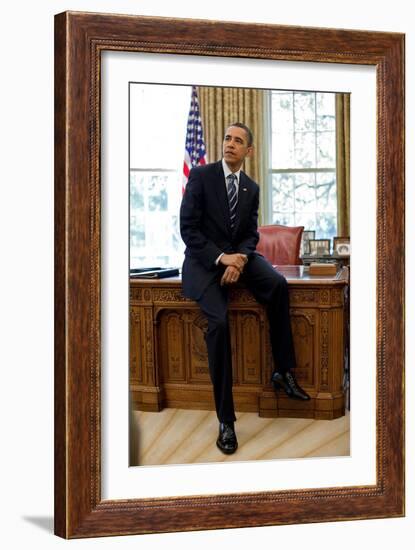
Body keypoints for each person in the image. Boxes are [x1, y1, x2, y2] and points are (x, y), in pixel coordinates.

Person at [179, 122, 309, 455]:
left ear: (248, 151)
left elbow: (251, 234)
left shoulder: (251, 186)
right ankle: (226, 420)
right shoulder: (201, 176)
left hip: (240, 255)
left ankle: (281, 370)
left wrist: (239, 260)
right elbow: (188, 230)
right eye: (227, 138)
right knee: (219, 323)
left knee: (278, 285)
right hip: (203, 261)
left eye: (238, 141)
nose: (230, 144)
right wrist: (224, 259)